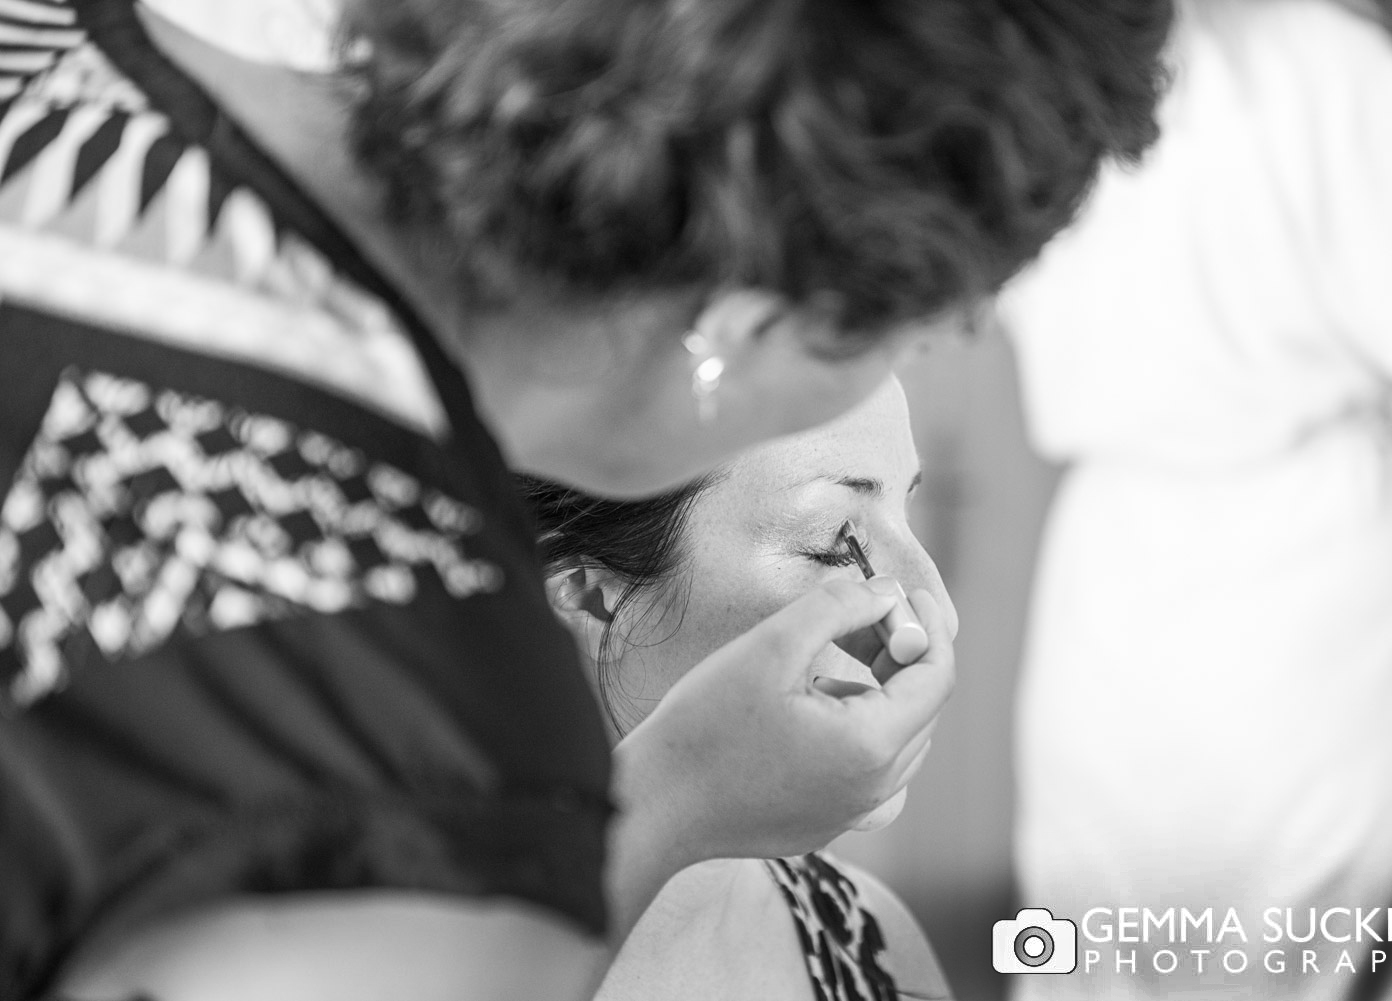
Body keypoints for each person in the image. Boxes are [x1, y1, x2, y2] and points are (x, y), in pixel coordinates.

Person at [0, 1, 1173, 999]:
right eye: (898, 330)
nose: (931, 613)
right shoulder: (383, 722)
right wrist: (665, 811)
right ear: (745, 317)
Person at [999, 0, 1392, 997]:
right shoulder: (1314, 60)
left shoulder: (1020, 84)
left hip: (1107, 602)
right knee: (1388, 959)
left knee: (1103, 958)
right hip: (1332, 591)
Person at [523, 377, 957, 1001]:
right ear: (585, 595)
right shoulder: (391, 954)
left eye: (907, 509)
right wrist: (672, 802)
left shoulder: (872, 946)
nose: (936, 607)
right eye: (838, 541)